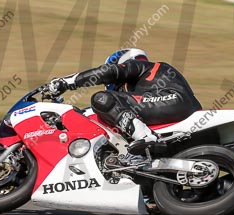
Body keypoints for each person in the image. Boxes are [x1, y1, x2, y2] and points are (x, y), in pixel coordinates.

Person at [47, 48, 202, 154]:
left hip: (173, 100)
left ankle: (145, 137)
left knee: (102, 99)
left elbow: (111, 72)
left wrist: (68, 82)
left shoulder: (141, 67)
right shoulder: (144, 86)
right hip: (184, 112)